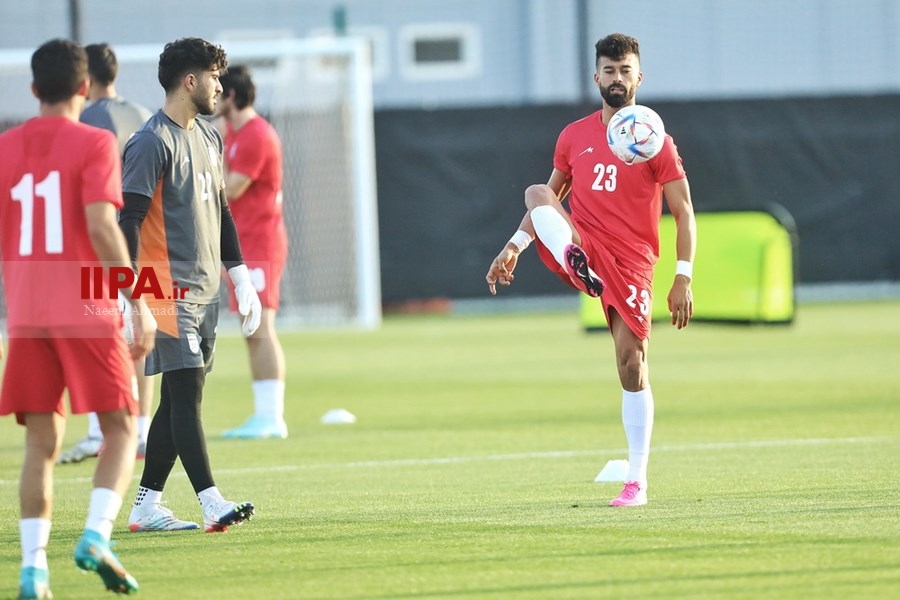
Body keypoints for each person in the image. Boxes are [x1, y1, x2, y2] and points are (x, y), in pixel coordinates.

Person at [484, 33, 696, 507]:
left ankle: (637, 481)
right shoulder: (573, 135)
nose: (616, 78)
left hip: (633, 261)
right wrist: (514, 247)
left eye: (625, 70)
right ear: (595, 76)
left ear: (639, 76)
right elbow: (552, 198)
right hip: (585, 243)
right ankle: (580, 268)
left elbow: (683, 211)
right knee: (537, 192)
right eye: (609, 70)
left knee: (631, 365)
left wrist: (683, 275)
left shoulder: (654, 139)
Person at [0, 38, 156, 598]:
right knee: (120, 429)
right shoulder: (94, 141)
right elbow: (99, 225)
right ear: (84, 88)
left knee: (39, 446)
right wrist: (135, 299)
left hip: (25, 319)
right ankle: (95, 536)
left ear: (34, 89)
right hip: (86, 311)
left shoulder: (4, 147)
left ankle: (32, 570)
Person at [120, 37, 262, 533]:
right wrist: (129, 295)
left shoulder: (209, 137)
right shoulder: (149, 142)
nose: (220, 87)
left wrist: (240, 275)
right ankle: (211, 501)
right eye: (214, 77)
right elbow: (129, 222)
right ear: (190, 81)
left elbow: (221, 211)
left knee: (180, 395)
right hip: (164, 289)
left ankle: (145, 505)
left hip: (204, 290)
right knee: (186, 395)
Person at [58, 41, 156, 465]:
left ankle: (101, 431)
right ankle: (142, 431)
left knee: (105, 335)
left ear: (87, 78)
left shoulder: (84, 118)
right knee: (139, 336)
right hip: (144, 239)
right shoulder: (143, 115)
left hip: (102, 245)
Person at [214, 64, 289, 440]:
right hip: (244, 244)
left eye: (217, 90)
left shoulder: (258, 135)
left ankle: (271, 417)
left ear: (231, 96)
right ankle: (264, 414)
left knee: (261, 328)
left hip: (259, 242)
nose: (213, 97)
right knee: (251, 328)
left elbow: (230, 189)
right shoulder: (234, 133)